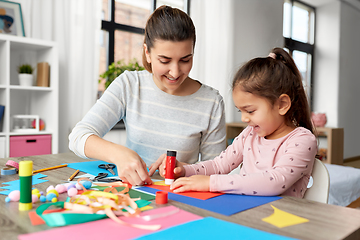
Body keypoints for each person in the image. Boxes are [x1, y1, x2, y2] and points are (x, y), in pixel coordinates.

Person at [68, 5, 226, 186]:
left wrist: (186, 169)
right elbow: (78, 137)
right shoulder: (129, 84)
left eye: (185, 60)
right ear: (147, 53)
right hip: (132, 195)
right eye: (164, 60)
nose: (174, 72)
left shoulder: (211, 102)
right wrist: (119, 154)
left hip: (180, 199)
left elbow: (217, 170)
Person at [164, 48, 318, 198]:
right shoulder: (250, 134)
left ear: (282, 104)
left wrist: (211, 183)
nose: (244, 119)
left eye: (250, 111)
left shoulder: (302, 140)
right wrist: (185, 170)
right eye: (241, 111)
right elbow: (219, 165)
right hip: (244, 214)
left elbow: (275, 182)